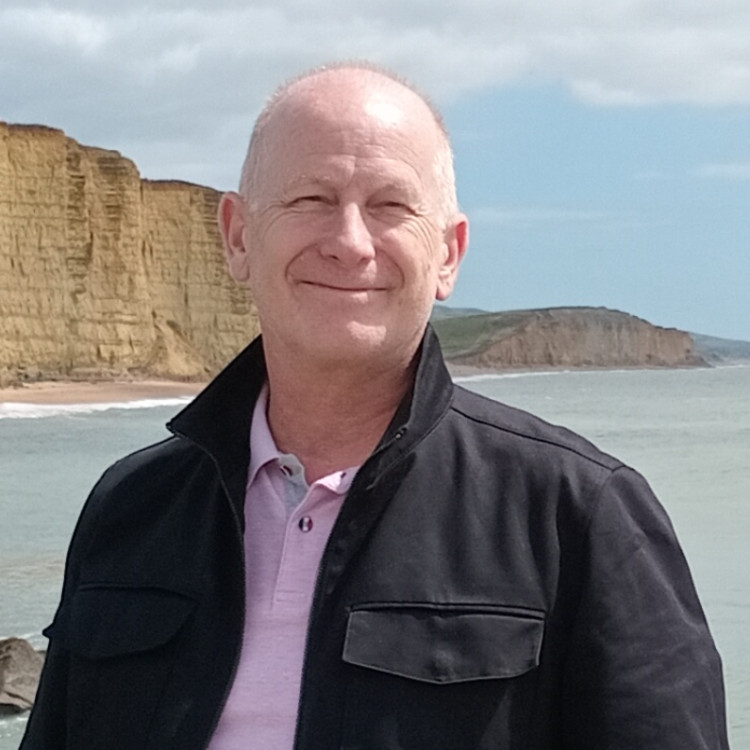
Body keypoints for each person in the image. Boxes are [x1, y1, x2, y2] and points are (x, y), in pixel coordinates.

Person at [22, 62, 728, 750]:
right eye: (310, 199)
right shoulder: (133, 507)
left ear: (448, 254)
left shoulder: (579, 515)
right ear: (237, 237)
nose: (349, 243)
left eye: (391, 206)